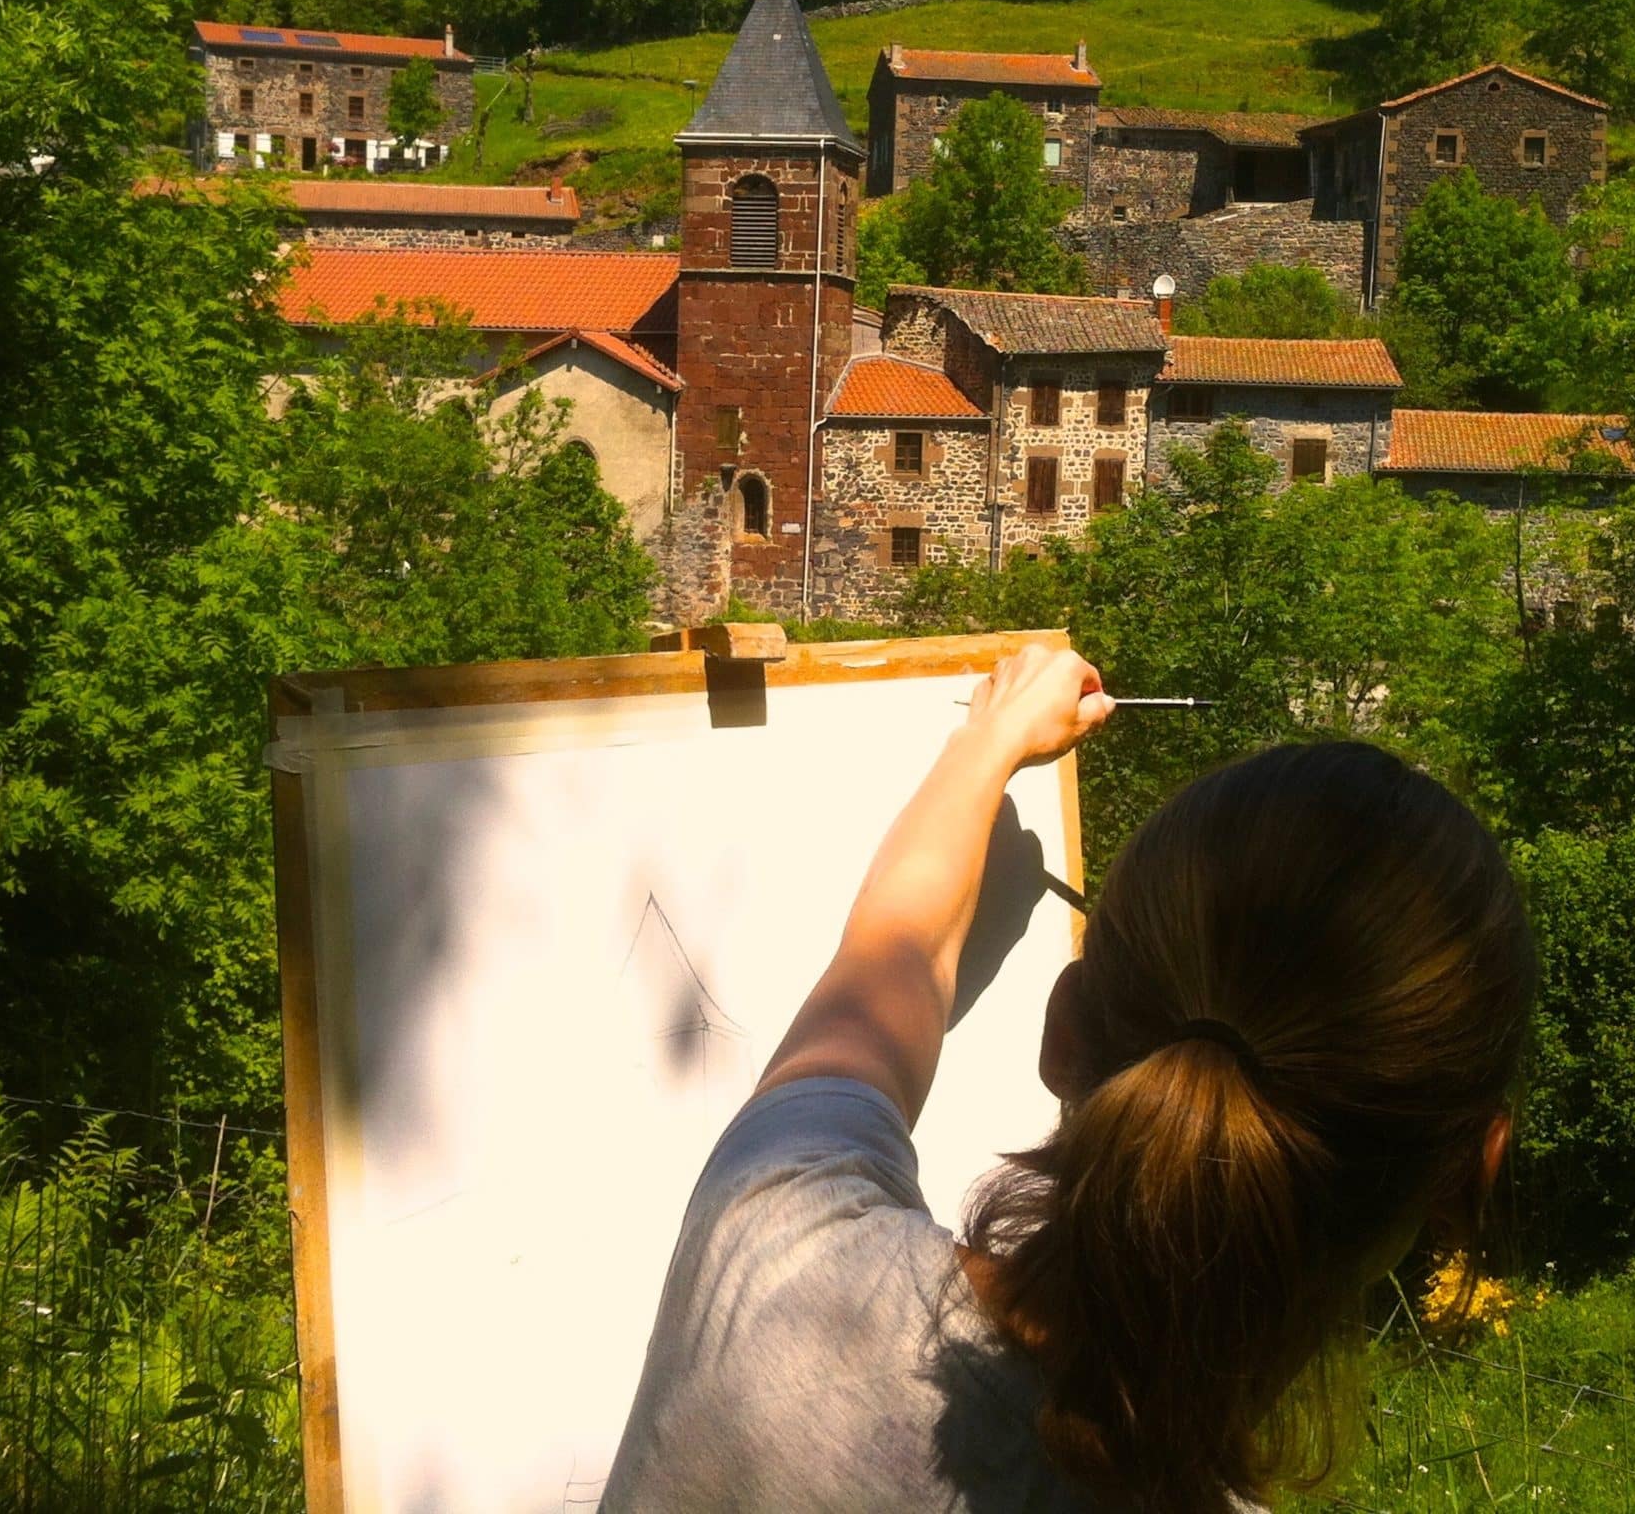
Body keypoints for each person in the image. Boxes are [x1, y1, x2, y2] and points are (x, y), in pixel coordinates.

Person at [605, 643, 1536, 1513]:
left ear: (1062, 1031)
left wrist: (992, 738)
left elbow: (898, 944)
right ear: (1473, 1170)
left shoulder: (776, 1244)